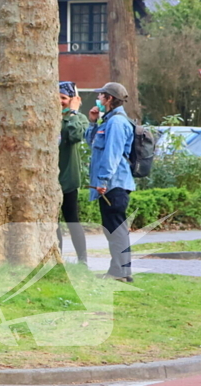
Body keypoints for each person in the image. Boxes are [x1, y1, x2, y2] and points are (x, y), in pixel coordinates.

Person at [86, 82, 136, 283]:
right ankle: (120, 271)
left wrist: (103, 181)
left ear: (109, 99)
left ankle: (121, 272)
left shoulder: (116, 123)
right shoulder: (108, 121)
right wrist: (92, 122)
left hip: (114, 185)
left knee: (116, 229)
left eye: (102, 95)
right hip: (111, 184)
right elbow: (93, 143)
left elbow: (112, 155)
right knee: (114, 229)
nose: (98, 97)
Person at [58, 82, 90, 264]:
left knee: (72, 221)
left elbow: (75, 135)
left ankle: (82, 260)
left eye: (64, 98)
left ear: (72, 100)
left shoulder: (79, 118)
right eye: (58, 97)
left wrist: (72, 112)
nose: (60, 101)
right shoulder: (46, 117)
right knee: (52, 224)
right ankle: (57, 259)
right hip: (48, 181)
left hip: (68, 179)